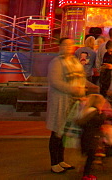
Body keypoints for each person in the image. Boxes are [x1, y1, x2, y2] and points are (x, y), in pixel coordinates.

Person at [46, 37, 85, 174]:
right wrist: (72, 89)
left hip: (72, 102)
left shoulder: (74, 61)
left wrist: (82, 89)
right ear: (60, 47)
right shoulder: (56, 62)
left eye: (70, 45)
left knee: (64, 132)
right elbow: (55, 82)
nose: (68, 47)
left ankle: (61, 160)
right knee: (57, 131)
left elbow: (81, 77)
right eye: (65, 45)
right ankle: (54, 163)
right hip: (59, 101)